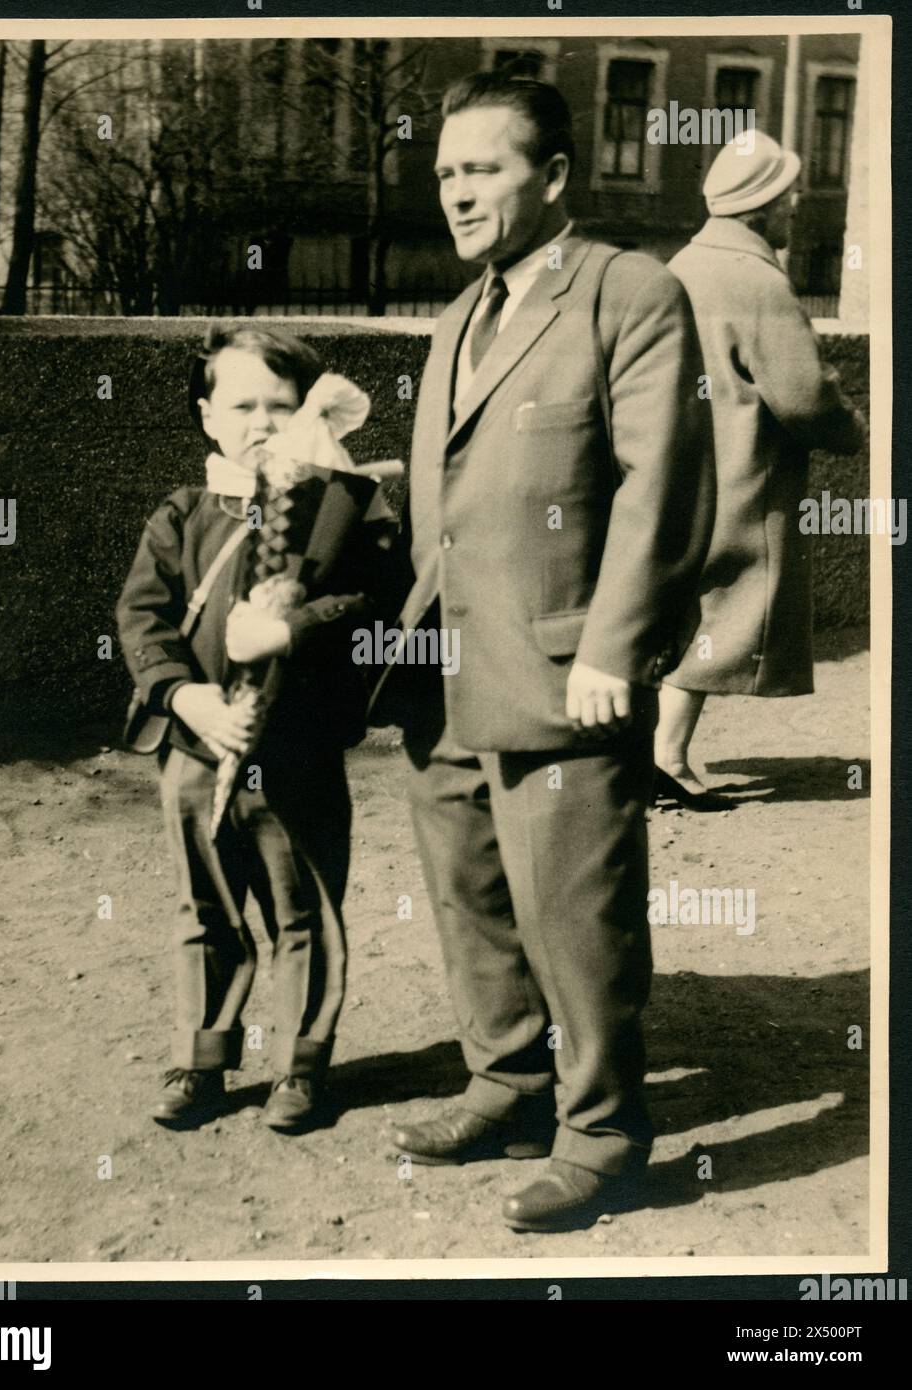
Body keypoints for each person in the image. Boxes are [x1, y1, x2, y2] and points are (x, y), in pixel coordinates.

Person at [376, 71, 715, 1232]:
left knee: (576, 909)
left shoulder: (629, 291)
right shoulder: (456, 315)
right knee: (471, 894)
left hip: (572, 671)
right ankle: (508, 1079)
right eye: (444, 175)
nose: (457, 195)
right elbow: (457, 496)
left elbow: (661, 487)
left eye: (482, 169)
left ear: (553, 176)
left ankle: (605, 1130)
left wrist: (617, 644)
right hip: (447, 669)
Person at [117, 326, 392, 1135]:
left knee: (302, 910)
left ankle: (301, 1068)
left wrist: (296, 627)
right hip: (195, 751)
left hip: (297, 751)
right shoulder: (184, 514)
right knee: (204, 907)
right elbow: (144, 617)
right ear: (208, 416)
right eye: (242, 404)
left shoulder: (342, 508)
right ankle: (201, 1059)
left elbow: (379, 600)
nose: (262, 421)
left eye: (282, 404)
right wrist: (181, 697)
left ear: (312, 411)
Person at [654, 130, 867, 808]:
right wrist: (850, 428)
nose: (792, 208)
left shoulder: (679, 266)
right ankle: (664, 755)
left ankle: (651, 753)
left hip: (672, 470)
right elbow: (803, 395)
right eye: (785, 197)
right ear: (761, 209)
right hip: (742, 477)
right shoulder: (756, 278)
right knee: (730, 609)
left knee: (678, 608)